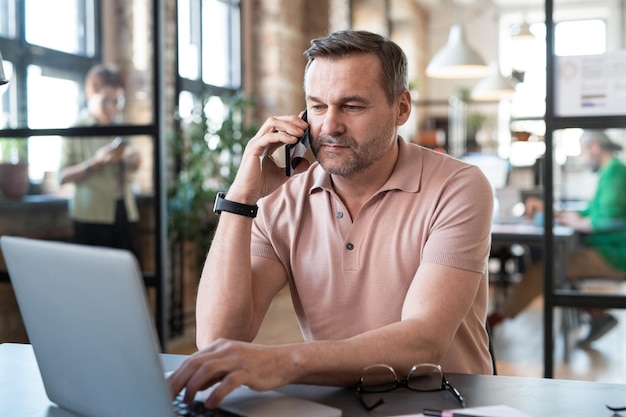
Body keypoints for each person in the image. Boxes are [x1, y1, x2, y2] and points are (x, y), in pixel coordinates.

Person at [168, 30, 494, 408]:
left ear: (401, 108)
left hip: (439, 404)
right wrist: (241, 199)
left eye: (352, 106)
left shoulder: (458, 186)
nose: (330, 126)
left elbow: (423, 341)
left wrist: (280, 361)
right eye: (318, 107)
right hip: (334, 405)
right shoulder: (283, 196)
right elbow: (217, 336)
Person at [488, 130, 626, 345]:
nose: (581, 157)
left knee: (542, 271)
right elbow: (591, 212)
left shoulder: (616, 173)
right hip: (607, 250)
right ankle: (598, 315)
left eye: (582, 151)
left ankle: (489, 323)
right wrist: (555, 213)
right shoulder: (611, 171)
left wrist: (572, 221)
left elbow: (604, 219)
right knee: (558, 266)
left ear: (594, 148)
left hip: (614, 255)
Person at [59, 64, 141, 261]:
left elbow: (134, 166)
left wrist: (129, 157)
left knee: (129, 273)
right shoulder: (75, 130)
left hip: (124, 210)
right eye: (105, 101)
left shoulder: (119, 128)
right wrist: (95, 162)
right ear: (89, 95)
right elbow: (61, 176)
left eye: (116, 101)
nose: (111, 107)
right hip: (91, 214)